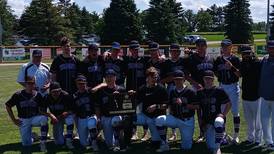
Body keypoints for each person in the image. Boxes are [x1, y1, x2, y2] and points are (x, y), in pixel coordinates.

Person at [155, 70, 198, 152]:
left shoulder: (190, 91)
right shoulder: (172, 91)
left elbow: (197, 106)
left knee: (186, 147)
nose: (178, 81)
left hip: (187, 121)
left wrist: (184, 104)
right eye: (176, 79)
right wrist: (156, 106)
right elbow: (169, 105)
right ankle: (164, 144)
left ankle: (188, 139)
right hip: (175, 118)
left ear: (184, 79)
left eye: (180, 79)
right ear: (173, 80)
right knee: (159, 120)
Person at [5, 76, 48, 152]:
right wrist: (14, 120)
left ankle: (43, 142)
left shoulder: (38, 95)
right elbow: (8, 106)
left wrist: (49, 115)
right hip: (23, 120)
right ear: (25, 84)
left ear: (34, 84)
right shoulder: (18, 95)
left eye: (32, 83)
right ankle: (34, 137)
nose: (30, 85)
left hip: (35, 118)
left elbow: (43, 110)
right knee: (26, 144)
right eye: (28, 83)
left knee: (44, 119)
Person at [185, 38, 214, 142]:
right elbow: (186, 75)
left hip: (209, 88)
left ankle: (210, 132)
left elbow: (214, 73)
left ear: (206, 46)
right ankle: (202, 133)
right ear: (196, 47)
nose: (201, 47)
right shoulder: (191, 58)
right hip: (197, 88)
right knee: (200, 110)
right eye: (198, 46)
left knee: (211, 109)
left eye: (203, 45)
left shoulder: (211, 58)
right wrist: (195, 84)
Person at [134, 67, 169, 151]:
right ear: (147, 77)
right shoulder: (142, 88)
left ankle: (161, 141)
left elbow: (166, 105)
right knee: (128, 119)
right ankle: (125, 142)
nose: (155, 79)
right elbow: (136, 101)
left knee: (156, 140)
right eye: (152, 77)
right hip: (145, 115)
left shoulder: (161, 89)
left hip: (157, 116)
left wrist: (156, 106)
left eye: (156, 77)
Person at [196, 70, 231, 154]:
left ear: (213, 79)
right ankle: (223, 136)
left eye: (210, 78)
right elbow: (198, 109)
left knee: (218, 122)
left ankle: (218, 147)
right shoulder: (200, 92)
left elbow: (229, 104)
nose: (208, 80)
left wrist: (223, 115)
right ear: (203, 79)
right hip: (207, 121)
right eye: (206, 78)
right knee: (210, 146)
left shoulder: (219, 90)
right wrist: (201, 122)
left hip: (217, 118)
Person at [213, 39, 241, 144]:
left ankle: (236, 136)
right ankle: (223, 134)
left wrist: (232, 67)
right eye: (223, 46)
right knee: (222, 111)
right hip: (222, 86)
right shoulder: (218, 60)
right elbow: (216, 73)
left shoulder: (235, 59)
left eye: (227, 46)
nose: (225, 48)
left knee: (235, 112)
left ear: (231, 47)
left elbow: (239, 75)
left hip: (233, 86)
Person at [95, 69, 128, 152]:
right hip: (105, 117)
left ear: (115, 78)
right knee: (109, 144)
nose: (109, 79)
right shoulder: (101, 91)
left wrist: (119, 97)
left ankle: (119, 143)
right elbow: (97, 107)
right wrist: (98, 119)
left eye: (111, 76)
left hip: (117, 115)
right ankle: (101, 139)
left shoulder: (121, 89)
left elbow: (126, 106)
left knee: (116, 120)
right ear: (104, 79)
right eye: (107, 77)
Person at [161, 43, 187, 141]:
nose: (174, 53)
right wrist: (171, 78)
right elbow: (162, 80)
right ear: (170, 52)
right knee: (171, 109)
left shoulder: (183, 61)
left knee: (183, 107)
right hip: (171, 87)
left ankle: (183, 130)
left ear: (179, 52)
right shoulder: (166, 63)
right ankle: (173, 133)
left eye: (176, 51)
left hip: (183, 88)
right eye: (172, 51)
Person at [123, 40, 147, 142]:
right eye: (133, 49)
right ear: (130, 50)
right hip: (130, 90)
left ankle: (146, 134)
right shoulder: (126, 61)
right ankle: (134, 132)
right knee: (132, 112)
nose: (135, 51)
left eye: (137, 49)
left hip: (142, 90)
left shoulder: (144, 60)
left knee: (144, 111)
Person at [239, 45, 262, 145]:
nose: (246, 55)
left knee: (257, 121)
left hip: (256, 96)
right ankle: (250, 138)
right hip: (245, 96)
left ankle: (257, 139)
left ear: (251, 53)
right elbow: (241, 74)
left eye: (248, 53)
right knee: (249, 121)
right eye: (244, 54)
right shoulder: (243, 63)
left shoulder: (257, 63)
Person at [41, 82, 75, 149]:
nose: (56, 93)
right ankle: (68, 135)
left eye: (58, 91)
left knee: (70, 120)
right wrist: (51, 115)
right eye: (54, 91)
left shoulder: (66, 96)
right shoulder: (47, 97)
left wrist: (60, 116)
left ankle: (69, 140)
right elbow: (41, 110)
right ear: (50, 91)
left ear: (60, 90)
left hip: (65, 116)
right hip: (56, 119)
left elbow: (71, 110)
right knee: (59, 142)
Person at [73, 75, 99, 151]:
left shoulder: (91, 92)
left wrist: (98, 119)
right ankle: (94, 137)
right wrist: (77, 124)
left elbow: (97, 106)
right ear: (76, 84)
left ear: (86, 83)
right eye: (79, 83)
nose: (81, 85)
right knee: (84, 143)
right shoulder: (75, 96)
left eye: (83, 83)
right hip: (81, 118)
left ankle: (94, 142)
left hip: (92, 116)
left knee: (91, 124)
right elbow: (75, 113)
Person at [259, 40, 274, 150]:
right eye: (270, 47)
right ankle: (268, 142)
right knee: (264, 120)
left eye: (273, 47)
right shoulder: (264, 59)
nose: (271, 49)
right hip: (264, 96)